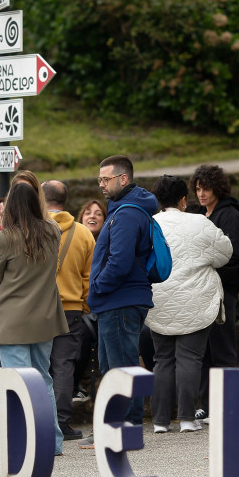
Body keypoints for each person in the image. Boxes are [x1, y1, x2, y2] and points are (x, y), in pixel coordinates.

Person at [78, 155, 158, 448]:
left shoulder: (126, 213)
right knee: (114, 366)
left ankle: (126, 428)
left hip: (120, 300)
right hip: (118, 300)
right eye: (99, 179)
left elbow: (120, 262)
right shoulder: (123, 209)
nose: (101, 184)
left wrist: (97, 287)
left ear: (123, 179)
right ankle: (116, 426)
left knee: (121, 367)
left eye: (105, 179)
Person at [0, 183, 69, 455]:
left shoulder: (4, 238)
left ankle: (24, 441)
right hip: (45, 317)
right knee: (42, 379)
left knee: (18, 382)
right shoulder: (53, 232)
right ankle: (52, 441)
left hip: (12, 321)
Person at [146, 176, 232, 434]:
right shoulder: (199, 222)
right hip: (196, 299)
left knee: (162, 360)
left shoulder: (150, 224)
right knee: (190, 359)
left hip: (158, 300)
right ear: (184, 199)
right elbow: (224, 253)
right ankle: (186, 418)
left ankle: (160, 421)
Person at [189, 164, 239, 422]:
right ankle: (209, 405)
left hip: (223, 291)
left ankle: (228, 406)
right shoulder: (202, 215)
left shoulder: (229, 216)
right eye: (198, 189)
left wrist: (215, 276)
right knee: (205, 351)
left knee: (224, 350)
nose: (201, 194)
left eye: (207, 188)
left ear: (218, 188)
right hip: (203, 292)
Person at [41, 180, 96, 440]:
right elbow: (89, 277)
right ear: (65, 200)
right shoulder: (83, 233)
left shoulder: (33, 229)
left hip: (37, 308)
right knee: (63, 367)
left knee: (38, 365)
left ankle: (38, 422)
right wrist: (82, 305)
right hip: (70, 309)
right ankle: (61, 424)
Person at [74, 199, 107, 404]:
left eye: (98, 213)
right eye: (87, 213)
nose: (92, 216)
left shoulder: (108, 242)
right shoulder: (74, 242)